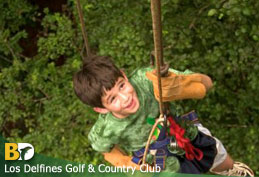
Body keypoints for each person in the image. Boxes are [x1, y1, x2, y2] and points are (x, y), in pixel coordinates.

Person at [73, 55, 254, 176]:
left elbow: (206, 83)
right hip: (158, 164)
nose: (125, 97)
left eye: (121, 85)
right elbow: (104, 148)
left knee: (215, 153)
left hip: (184, 136)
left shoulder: (147, 80)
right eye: (112, 99)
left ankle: (232, 171)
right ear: (101, 109)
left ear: (124, 75)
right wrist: (124, 162)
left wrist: (180, 86)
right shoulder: (106, 128)